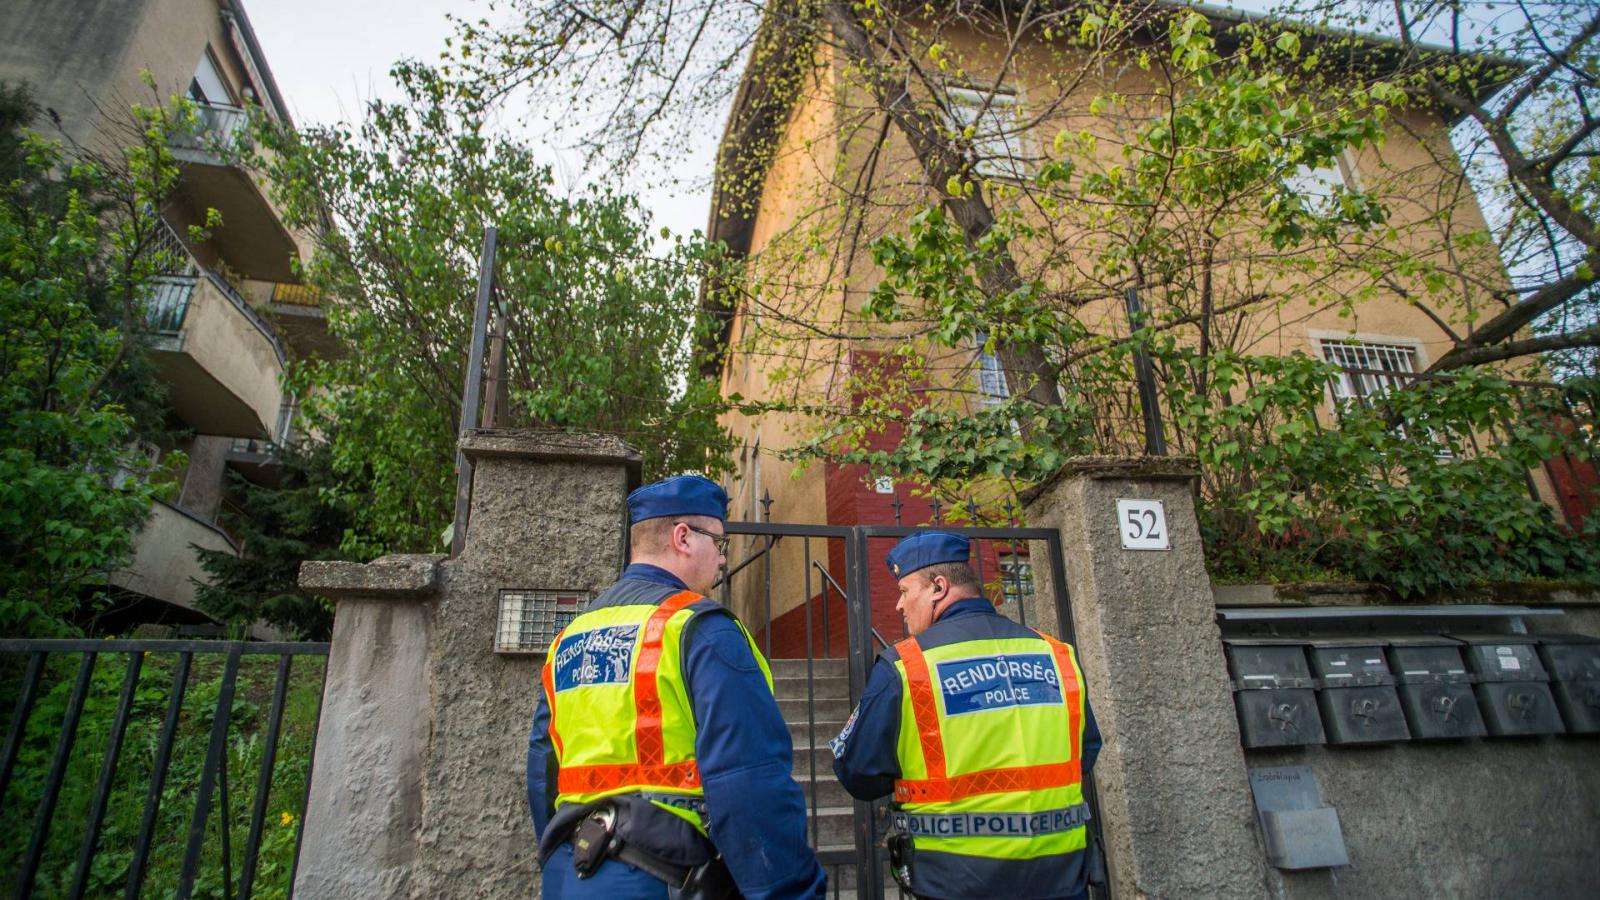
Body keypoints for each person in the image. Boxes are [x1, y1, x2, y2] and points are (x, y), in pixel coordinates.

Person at [528, 474, 827, 900]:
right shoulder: (700, 628)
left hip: (571, 874)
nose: (723, 560)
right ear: (683, 538)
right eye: (720, 544)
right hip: (661, 877)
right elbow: (748, 782)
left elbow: (543, 770)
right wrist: (793, 892)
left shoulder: (569, 639)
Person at [830, 532, 1102, 900]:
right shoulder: (1058, 655)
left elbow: (858, 773)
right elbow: (1084, 754)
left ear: (938, 588)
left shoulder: (908, 666)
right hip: (1062, 877)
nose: (899, 605)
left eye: (905, 590)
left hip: (955, 880)